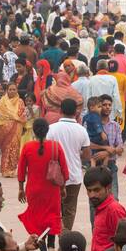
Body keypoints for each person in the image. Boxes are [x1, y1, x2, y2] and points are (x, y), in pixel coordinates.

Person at [17, 117, 68, 251]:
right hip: (52, 189)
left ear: (34, 131)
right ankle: (52, 247)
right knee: (52, 217)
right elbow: (65, 171)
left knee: (38, 221)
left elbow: (21, 170)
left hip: (33, 190)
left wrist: (21, 189)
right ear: (47, 130)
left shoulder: (27, 147)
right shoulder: (55, 146)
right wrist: (63, 188)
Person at [48, 96, 92, 231]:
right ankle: (65, 241)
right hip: (74, 176)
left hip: (53, 177)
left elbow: (45, 151)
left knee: (54, 209)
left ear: (60, 111)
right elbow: (87, 155)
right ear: (76, 112)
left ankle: (52, 240)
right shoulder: (81, 130)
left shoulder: (51, 129)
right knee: (70, 210)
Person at [84, 166, 126, 251]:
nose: (92, 195)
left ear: (108, 188)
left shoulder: (114, 210)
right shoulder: (100, 207)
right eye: (89, 190)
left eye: (97, 190)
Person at [0, 82, 27, 177]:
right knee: (6, 149)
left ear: (17, 90)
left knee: (14, 147)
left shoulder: (20, 102)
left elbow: (22, 114)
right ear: (7, 90)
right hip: (4, 128)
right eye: (10, 89)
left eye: (14, 89)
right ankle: (5, 169)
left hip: (17, 127)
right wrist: (10, 119)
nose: (12, 91)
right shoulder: (2, 101)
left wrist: (15, 118)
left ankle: (12, 169)